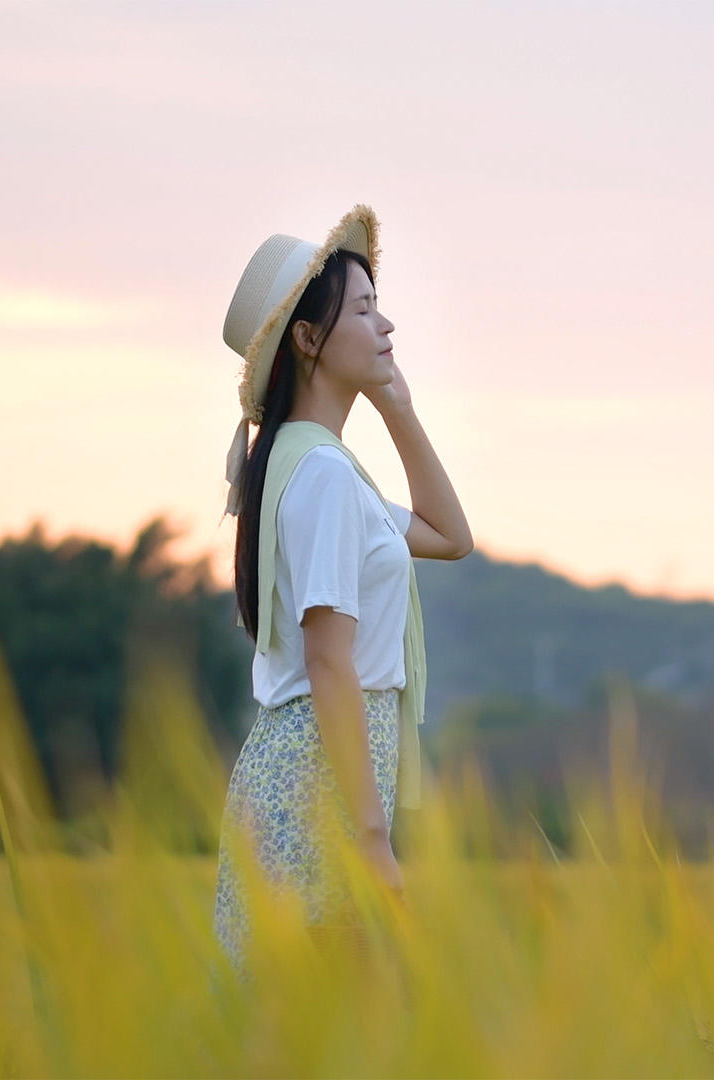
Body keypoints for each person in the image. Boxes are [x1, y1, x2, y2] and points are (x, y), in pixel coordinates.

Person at [210, 205, 473, 975]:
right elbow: (331, 660)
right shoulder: (321, 476)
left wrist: (398, 406)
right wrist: (371, 838)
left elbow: (449, 534)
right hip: (314, 795)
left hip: (313, 782)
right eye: (364, 310)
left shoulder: (319, 468)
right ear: (307, 338)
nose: (386, 326)